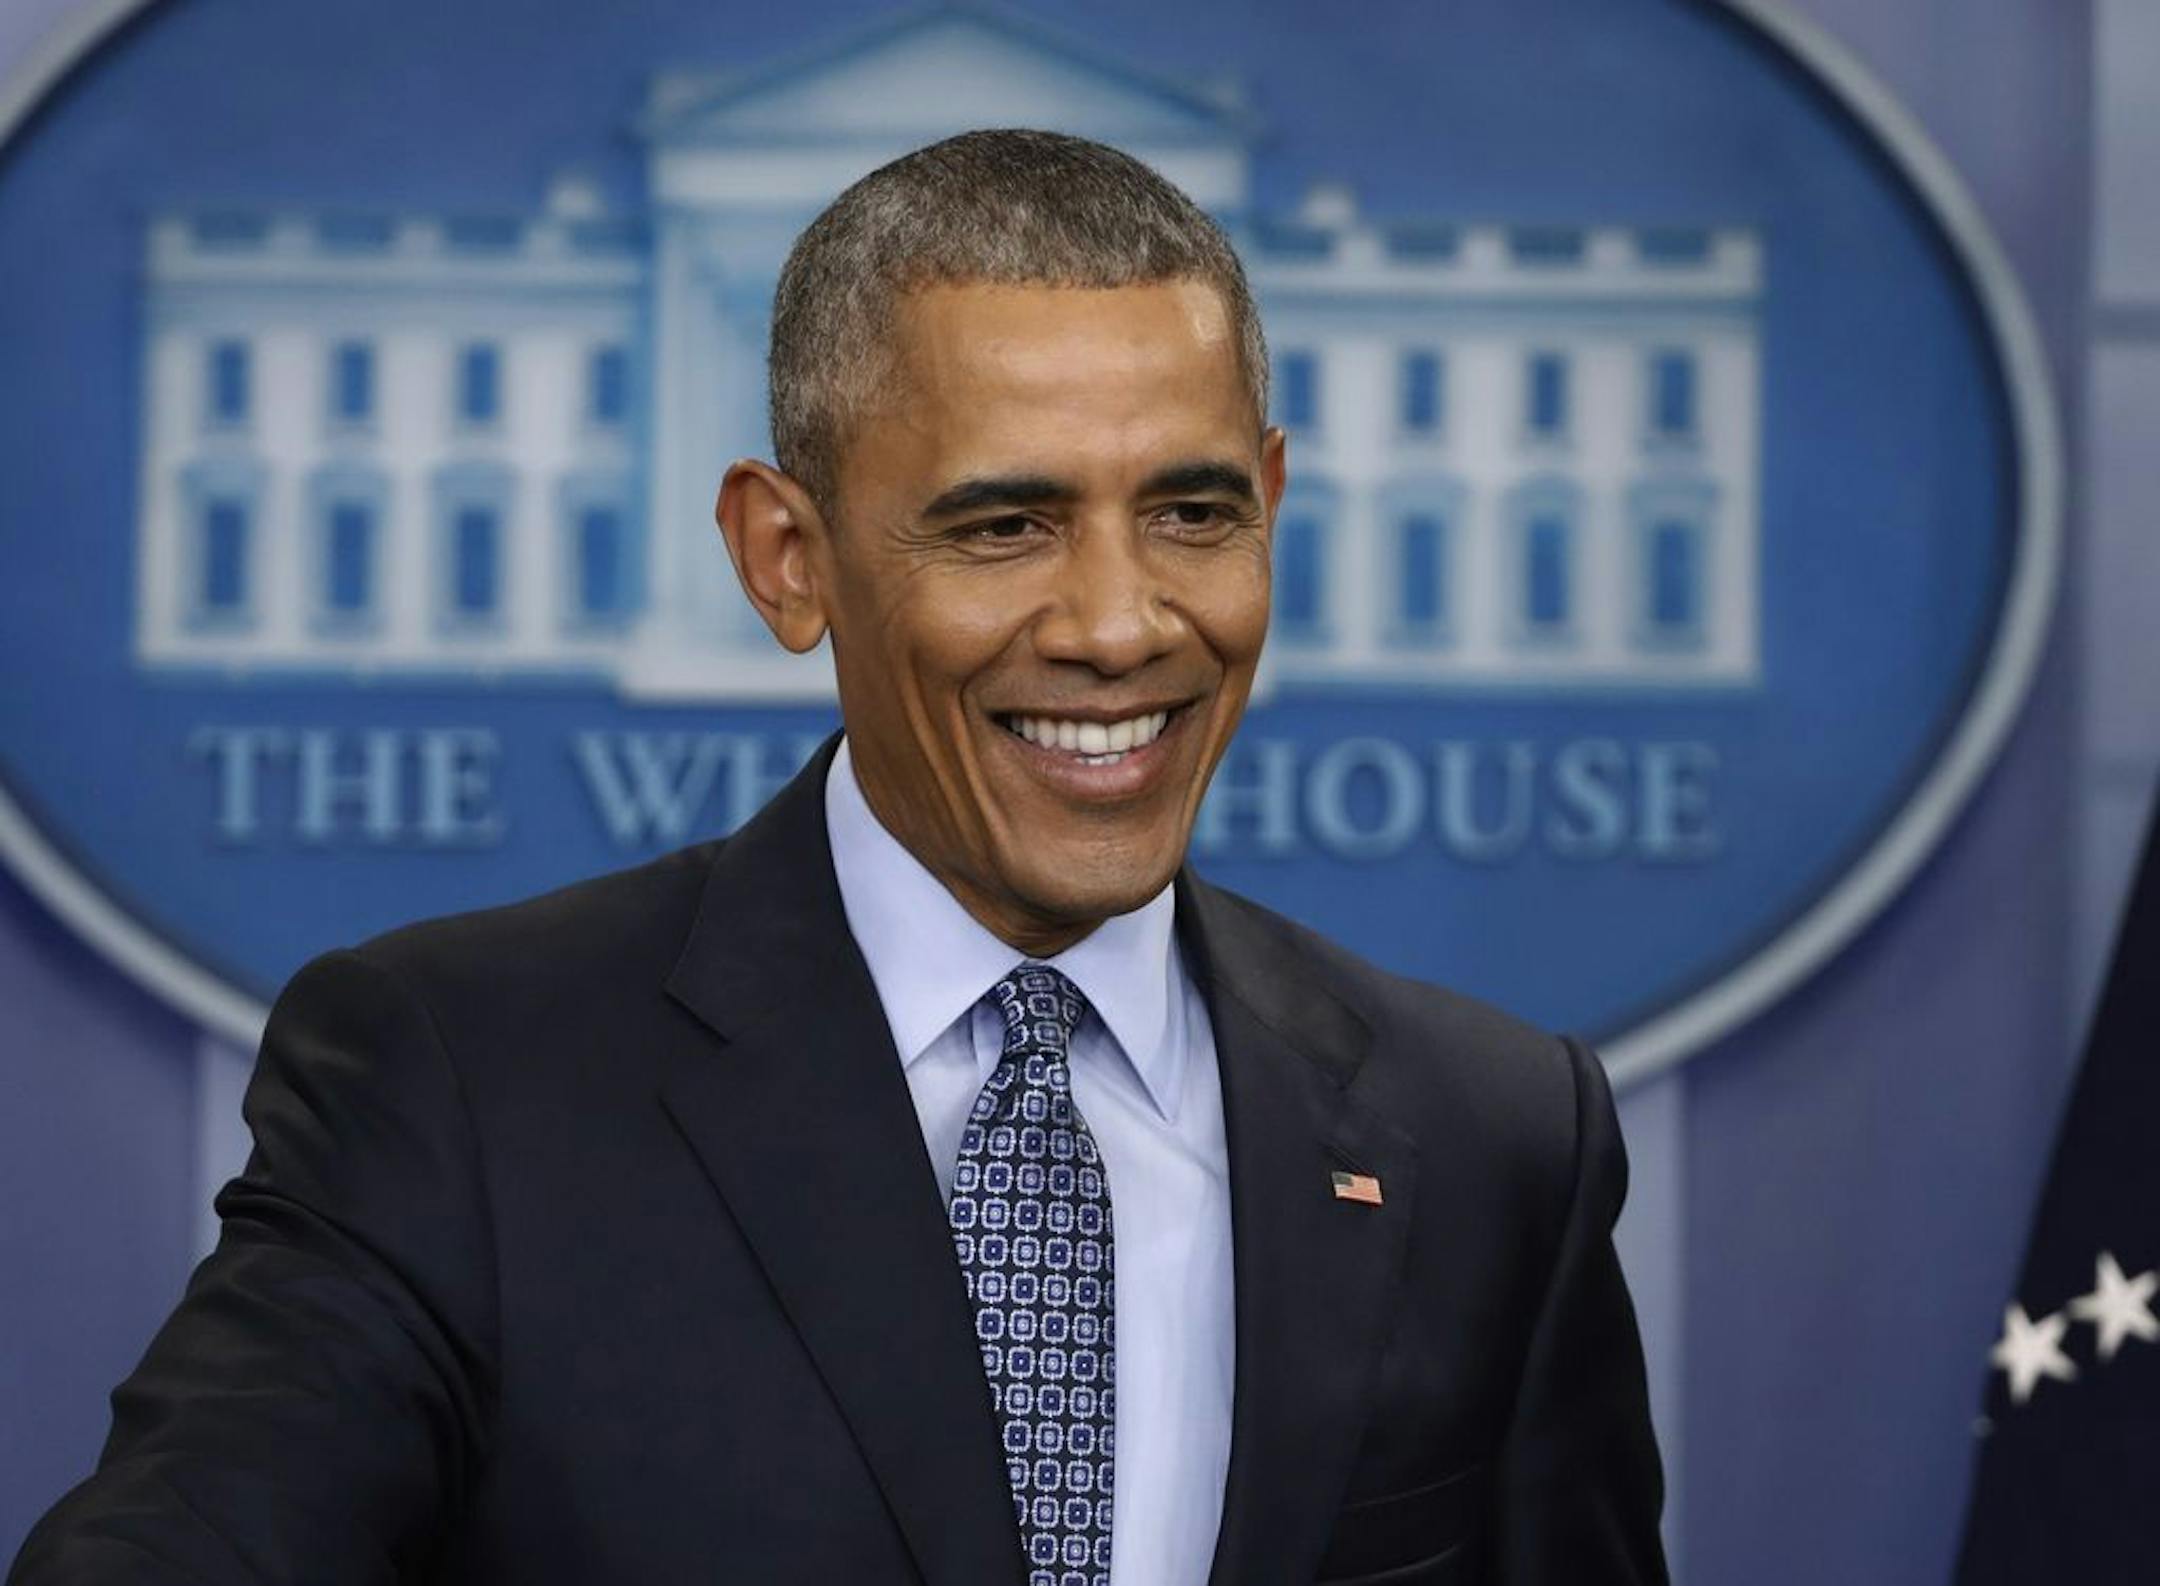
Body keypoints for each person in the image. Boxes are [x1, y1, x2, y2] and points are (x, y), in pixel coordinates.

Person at [9, 129, 1665, 1586]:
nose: (1118, 623)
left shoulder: (1494, 1140)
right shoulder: (456, 1081)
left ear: (1274, 510)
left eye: (1194, 513)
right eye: (1004, 523)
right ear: (785, 558)